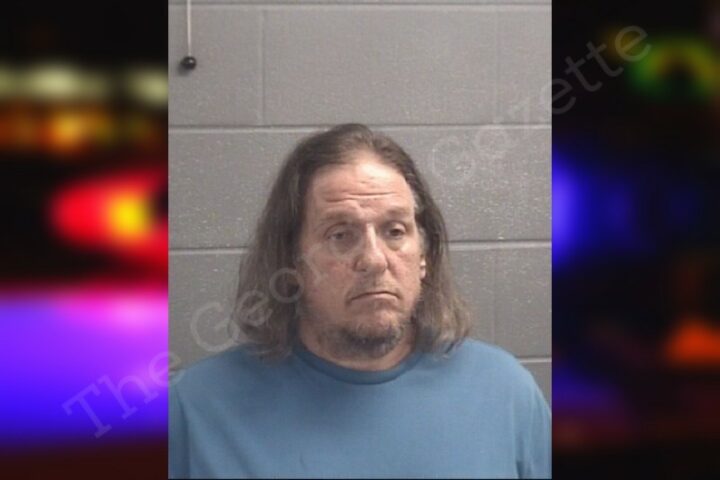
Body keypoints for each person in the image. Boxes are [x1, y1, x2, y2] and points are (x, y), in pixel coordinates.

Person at [169, 123, 551, 479]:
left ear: (424, 255)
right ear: (291, 263)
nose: (374, 259)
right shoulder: (196, 410)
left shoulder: (505, 394)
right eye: (340, 235)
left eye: (395, 231)